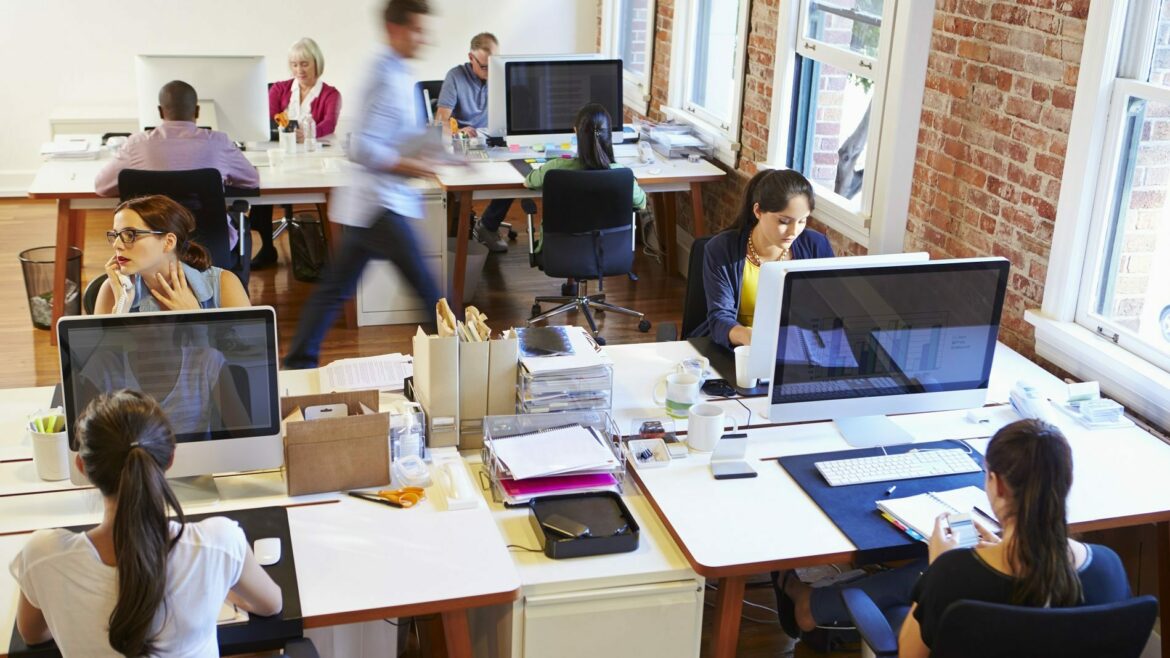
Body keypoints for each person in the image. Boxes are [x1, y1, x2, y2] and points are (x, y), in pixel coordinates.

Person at [776, 419, 1132, 656]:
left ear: (997, 484)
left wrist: (937, 569)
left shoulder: (954, 575)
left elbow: (910, 655)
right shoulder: (1109, 567)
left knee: (902, 606)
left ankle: (809, 604)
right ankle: (812, 604)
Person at [9, 390, 281, 656]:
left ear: (82, 467)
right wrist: (221, 588)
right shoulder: (220, 544)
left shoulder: (41, 556)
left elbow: (32, 635)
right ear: (170, 458)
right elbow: (271, 605)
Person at [283, 0, 442, 370]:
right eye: (417, 30)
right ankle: (461, 361)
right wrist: (411, 165)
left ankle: (297, 362)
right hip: (378, 203)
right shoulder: (380, 74)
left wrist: (440, 154)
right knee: (429, 291)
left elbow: (399, 135)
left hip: (375, 204)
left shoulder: (400, 73)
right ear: (395, 29)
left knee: (334, 289)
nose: (424, 38)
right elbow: (358, 145)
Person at [94, 81, 260, 256]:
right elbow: (251, 180)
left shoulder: (137, 144)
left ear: (160, 111)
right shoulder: (219, 143)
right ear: (197, 111)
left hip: (151, 245)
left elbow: (102, 187)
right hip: (209, 245)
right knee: (240, 224)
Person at [690, 169, 834, 349]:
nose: (794, 231)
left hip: (797, 348)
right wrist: (752, 338)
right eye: (784, 221)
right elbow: (719, 319)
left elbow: (830, 308)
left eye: (802, 221)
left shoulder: (817, 245)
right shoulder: (722, 249)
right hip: (738, 349)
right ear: (758, 211)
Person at [252, 37, 343, 269]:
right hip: (281, 153)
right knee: (261, 184)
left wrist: (309, 133)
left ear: (316, 63)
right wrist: (286, 131)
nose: (299, 70)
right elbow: (268, 120)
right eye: (294, 65)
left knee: (327, 192)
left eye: (304, 64)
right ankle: (267, 247)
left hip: (313, 157)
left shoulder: (331, 94)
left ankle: (327, 252)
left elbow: (329, 124)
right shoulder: (279, 89)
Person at [95, 195, 251, 315]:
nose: (116, 245)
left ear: (168, 242)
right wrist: (120, 310)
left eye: (130, 235)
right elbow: (100, 349)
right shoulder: (113, 289)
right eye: (115, 235)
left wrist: (196, 318)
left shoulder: (224, 284)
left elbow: (248, 347)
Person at [435, 32, 515, 254]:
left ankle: (487, 226)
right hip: (464, 142)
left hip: (492, 140)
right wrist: (457, 131)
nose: (491, 71)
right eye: (485, 66)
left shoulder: (502, 75)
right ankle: (454, 238)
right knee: (461, 184)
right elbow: (441, 120)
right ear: (471, 58)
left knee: (517, 174)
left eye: (494, 64)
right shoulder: (455, 77)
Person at [522, 102, 647, 225]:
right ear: (609, 133)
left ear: (576, 131)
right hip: (609, 239)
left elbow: (529, 182)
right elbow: (641, 203)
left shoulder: (555, 168)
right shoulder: (622, 175)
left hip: (564, 238)